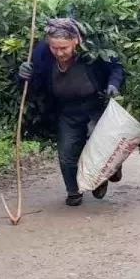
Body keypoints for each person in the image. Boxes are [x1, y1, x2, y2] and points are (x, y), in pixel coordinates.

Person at [19, 18, 125, 206]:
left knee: (98, 143)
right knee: (67, 152)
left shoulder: (93, 49)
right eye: (54, 48)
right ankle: (74, 191)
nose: (59, 53)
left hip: (95, 104)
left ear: (76, 40)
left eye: (64, 48)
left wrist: (112, 84)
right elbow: (35, 85)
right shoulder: (42, 53)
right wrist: (23, 75)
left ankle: (103, 176)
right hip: (67, 109)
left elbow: (116, 67)